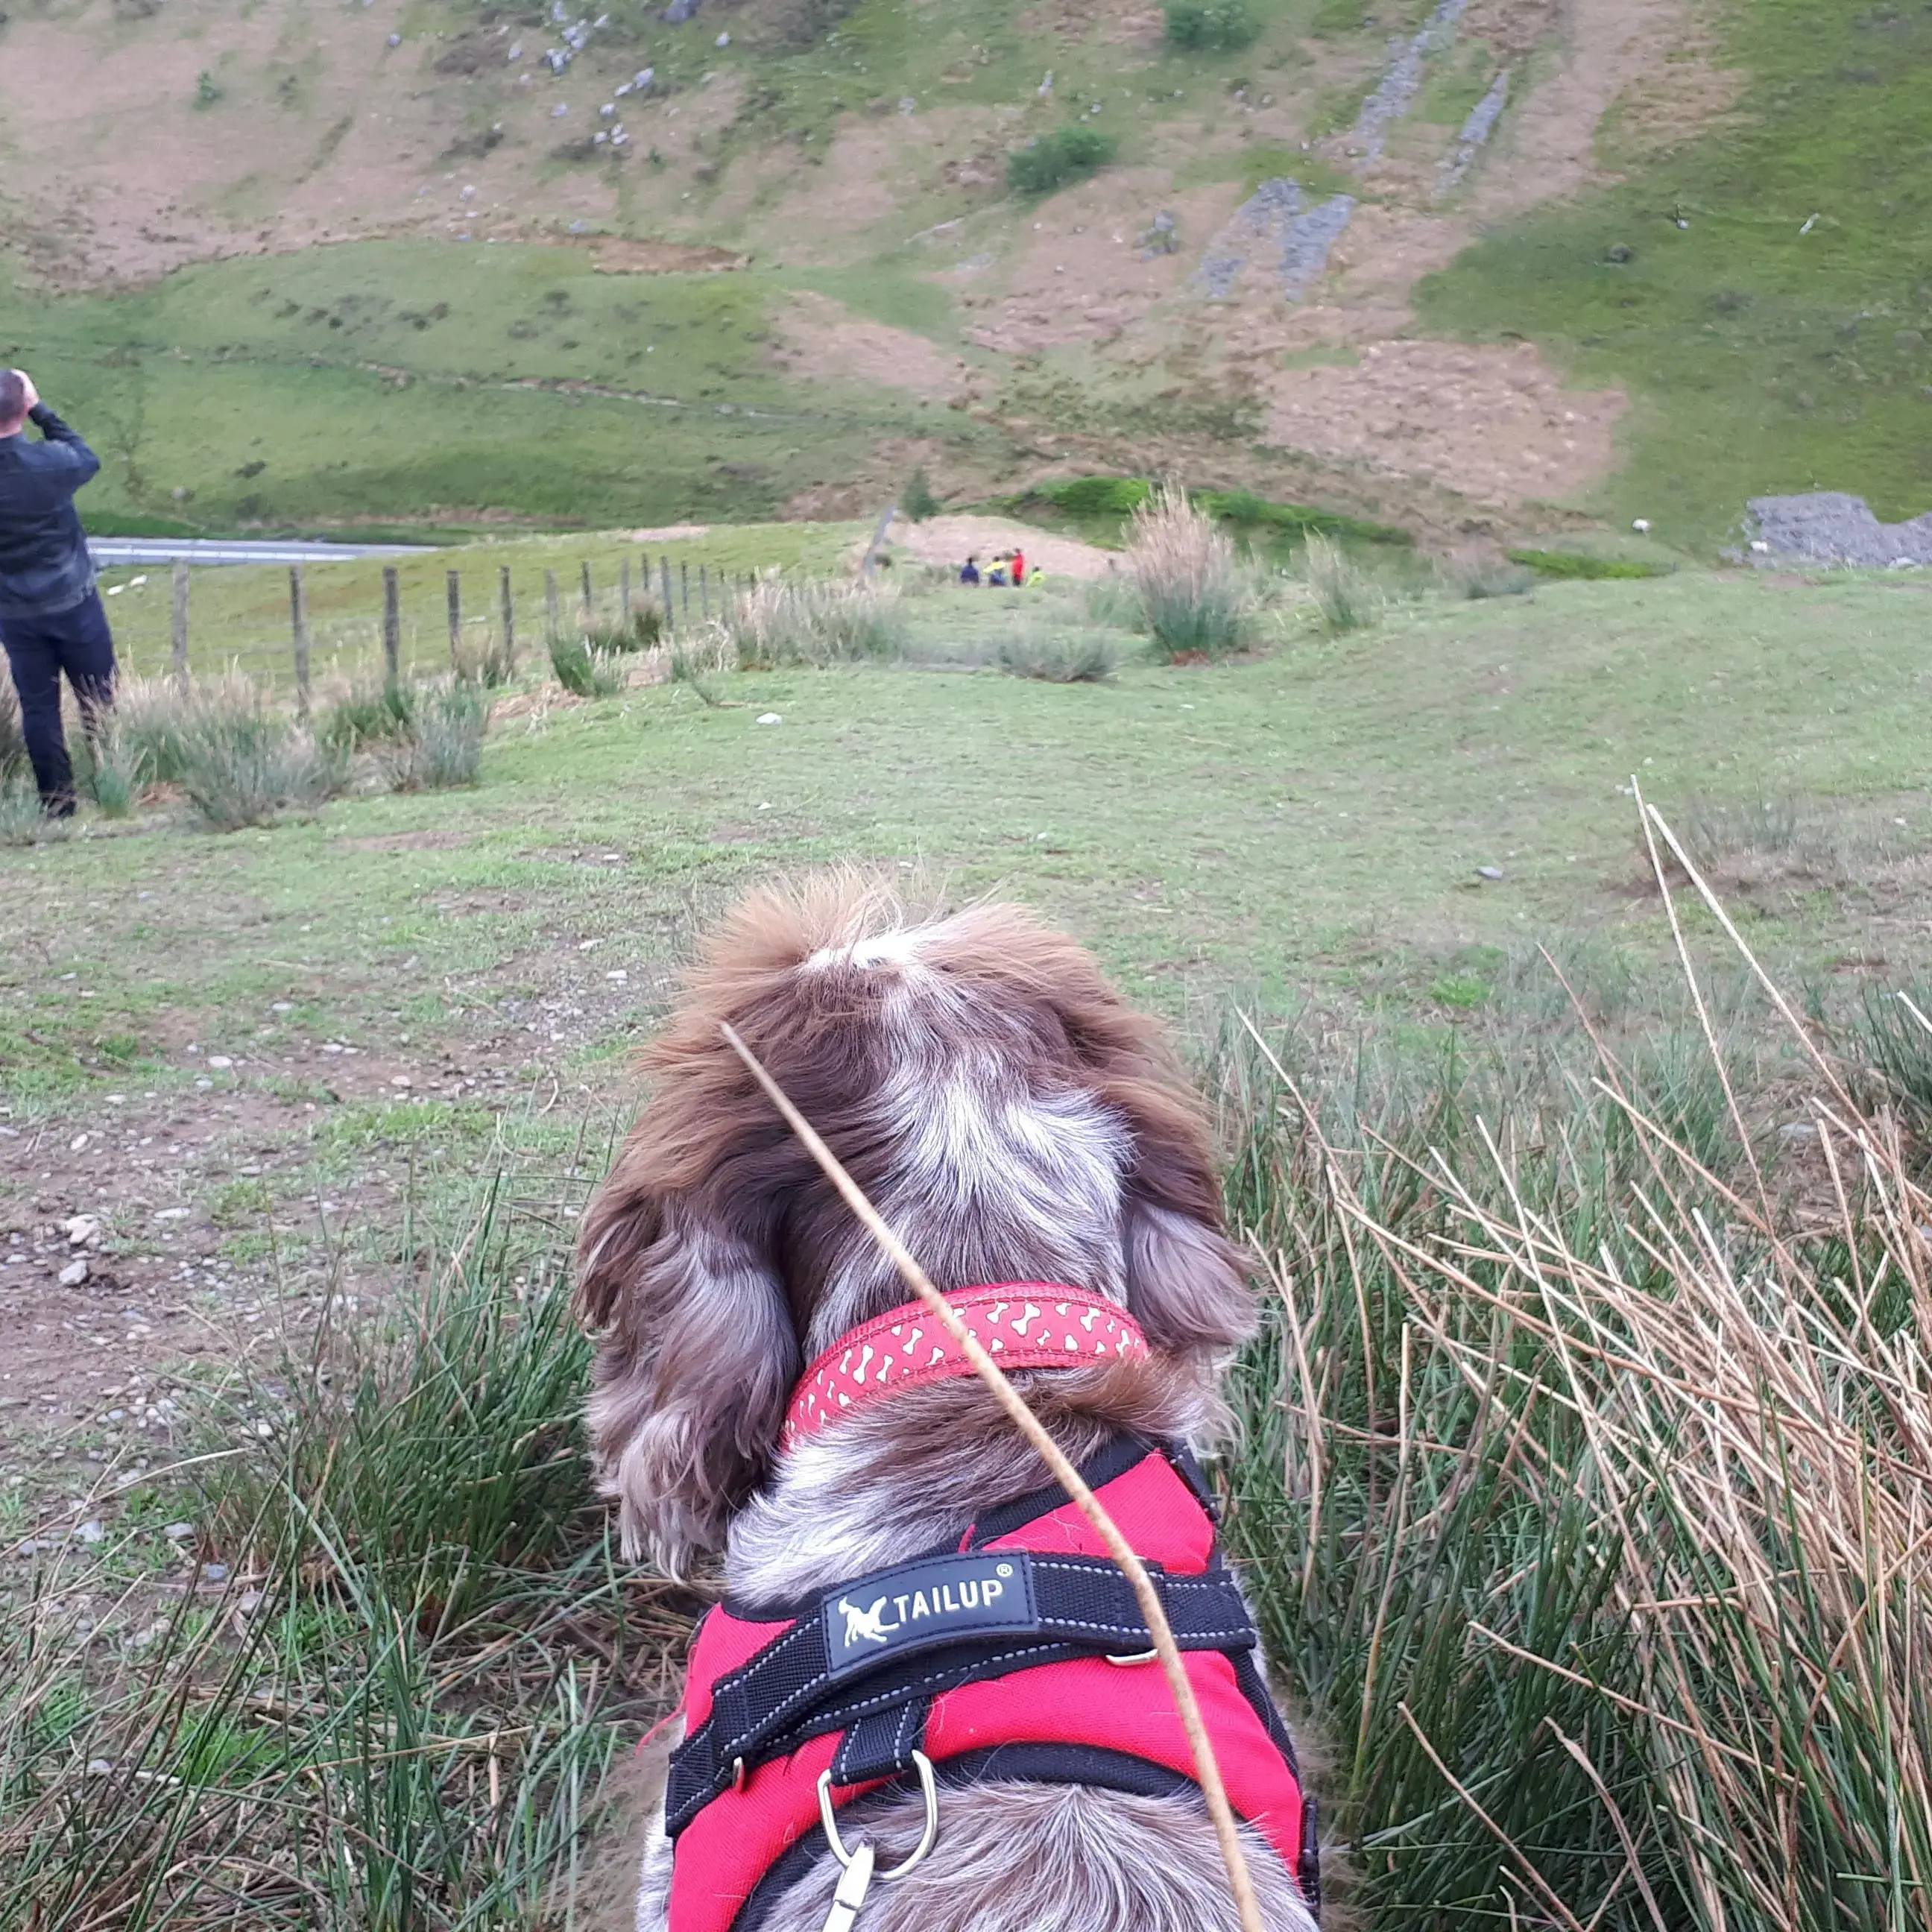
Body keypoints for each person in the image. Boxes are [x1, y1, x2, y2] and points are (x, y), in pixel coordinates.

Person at [0, 369, 116, 817]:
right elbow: (86, 458)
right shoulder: (51, 464)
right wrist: (42, 410)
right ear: (23, 407)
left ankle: (58, 803)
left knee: (39, 708)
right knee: (98, 697)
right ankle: (111, 784)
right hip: (73, 599)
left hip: (14, 609)